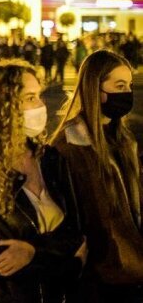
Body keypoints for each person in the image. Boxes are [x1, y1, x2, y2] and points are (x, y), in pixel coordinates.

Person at [0, 60, 86, 303]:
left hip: (55, 294)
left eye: (39, 96)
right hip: (2, 296)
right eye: (30, 97)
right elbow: (5, 259)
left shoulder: (49, 158)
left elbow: (76, 232)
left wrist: (33, 251)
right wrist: (70, 261)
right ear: (1, 106)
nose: (41, 105)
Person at [50, 50, 143, 302]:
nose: (126, 93)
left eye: (129, 85)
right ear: (96, 88)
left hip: (131, 265)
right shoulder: (70, 144)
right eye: (119, 85)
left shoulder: (124, 140)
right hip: (97, 272)